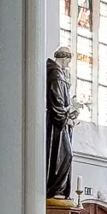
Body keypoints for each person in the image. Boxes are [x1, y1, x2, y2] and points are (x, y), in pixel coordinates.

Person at [46, 46, 77, 200]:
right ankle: (56, 190)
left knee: (65, 157)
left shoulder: (58, 75)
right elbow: (57, 104)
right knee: (65, 156)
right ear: (64, 58)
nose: (68, 65)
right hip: (56, 129)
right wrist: (68, 119)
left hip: (59, 125)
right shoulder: (56, 76)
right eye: (68, 61)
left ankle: (58, 190)